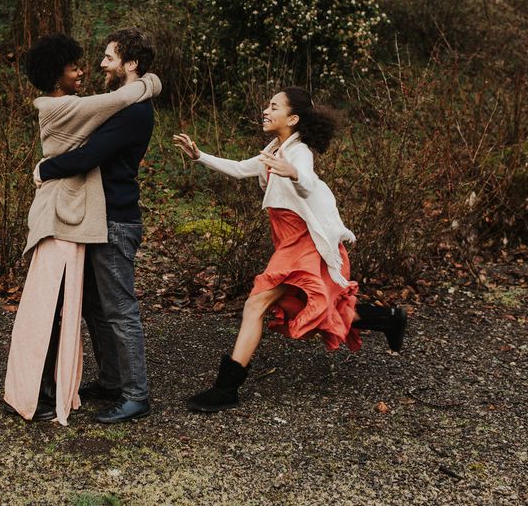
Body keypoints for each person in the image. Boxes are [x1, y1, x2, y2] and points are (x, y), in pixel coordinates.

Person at [173, 87, 407, 413]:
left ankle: (226, 388)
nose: (265, 111)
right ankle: (388, 319)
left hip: (305, 240)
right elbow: (241, 168)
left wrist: (294, 173)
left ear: (292, 118)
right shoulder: (273, 150)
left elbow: (308, 180)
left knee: (257, 302)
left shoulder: (298, 153)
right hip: (289, 239)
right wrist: (200, 156)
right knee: (310, 305)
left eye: (273, 106)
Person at [4, 33, 161, 425]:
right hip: (95, 218)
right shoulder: (116, 107)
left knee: (119, 308)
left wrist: (45, 168)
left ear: (130, 65)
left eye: (109, 58)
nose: (101, 65)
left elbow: (89, 155)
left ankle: (135, 394)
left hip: (115, 219)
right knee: (94, 306)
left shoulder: (134, 110)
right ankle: (110, 380)